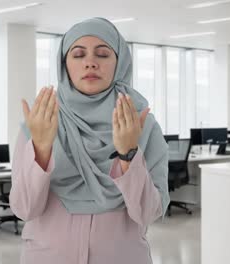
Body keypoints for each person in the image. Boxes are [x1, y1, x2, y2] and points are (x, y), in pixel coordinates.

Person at [10, 17, 169, 264]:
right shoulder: (41, 122)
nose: (90, 63)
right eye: (78, 54)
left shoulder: (142, 126)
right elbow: (24, 209)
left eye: (103, 54)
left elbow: (148, 213)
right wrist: (41, 148)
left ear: (120, 63)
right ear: (64, 65)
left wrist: (128, 154)